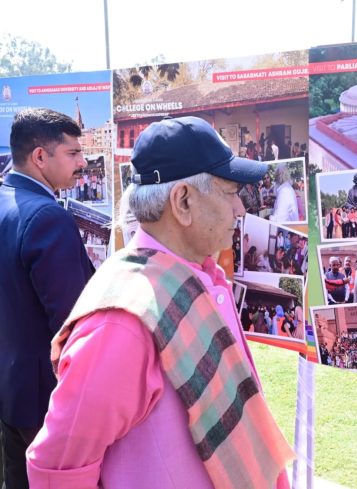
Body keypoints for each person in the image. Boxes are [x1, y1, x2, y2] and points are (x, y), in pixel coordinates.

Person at [26, 116, 293, 488]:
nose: (240, 210)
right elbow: (58, 464)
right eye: (230, 192)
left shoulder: (196, 274)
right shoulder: (121, 325)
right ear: (183, 201)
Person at [0, 108, 95, 489]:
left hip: (11, 394)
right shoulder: (46, 218)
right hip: (47, 404)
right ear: (40, 157)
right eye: (72, 153)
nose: (83, 162)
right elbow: (73, 325)